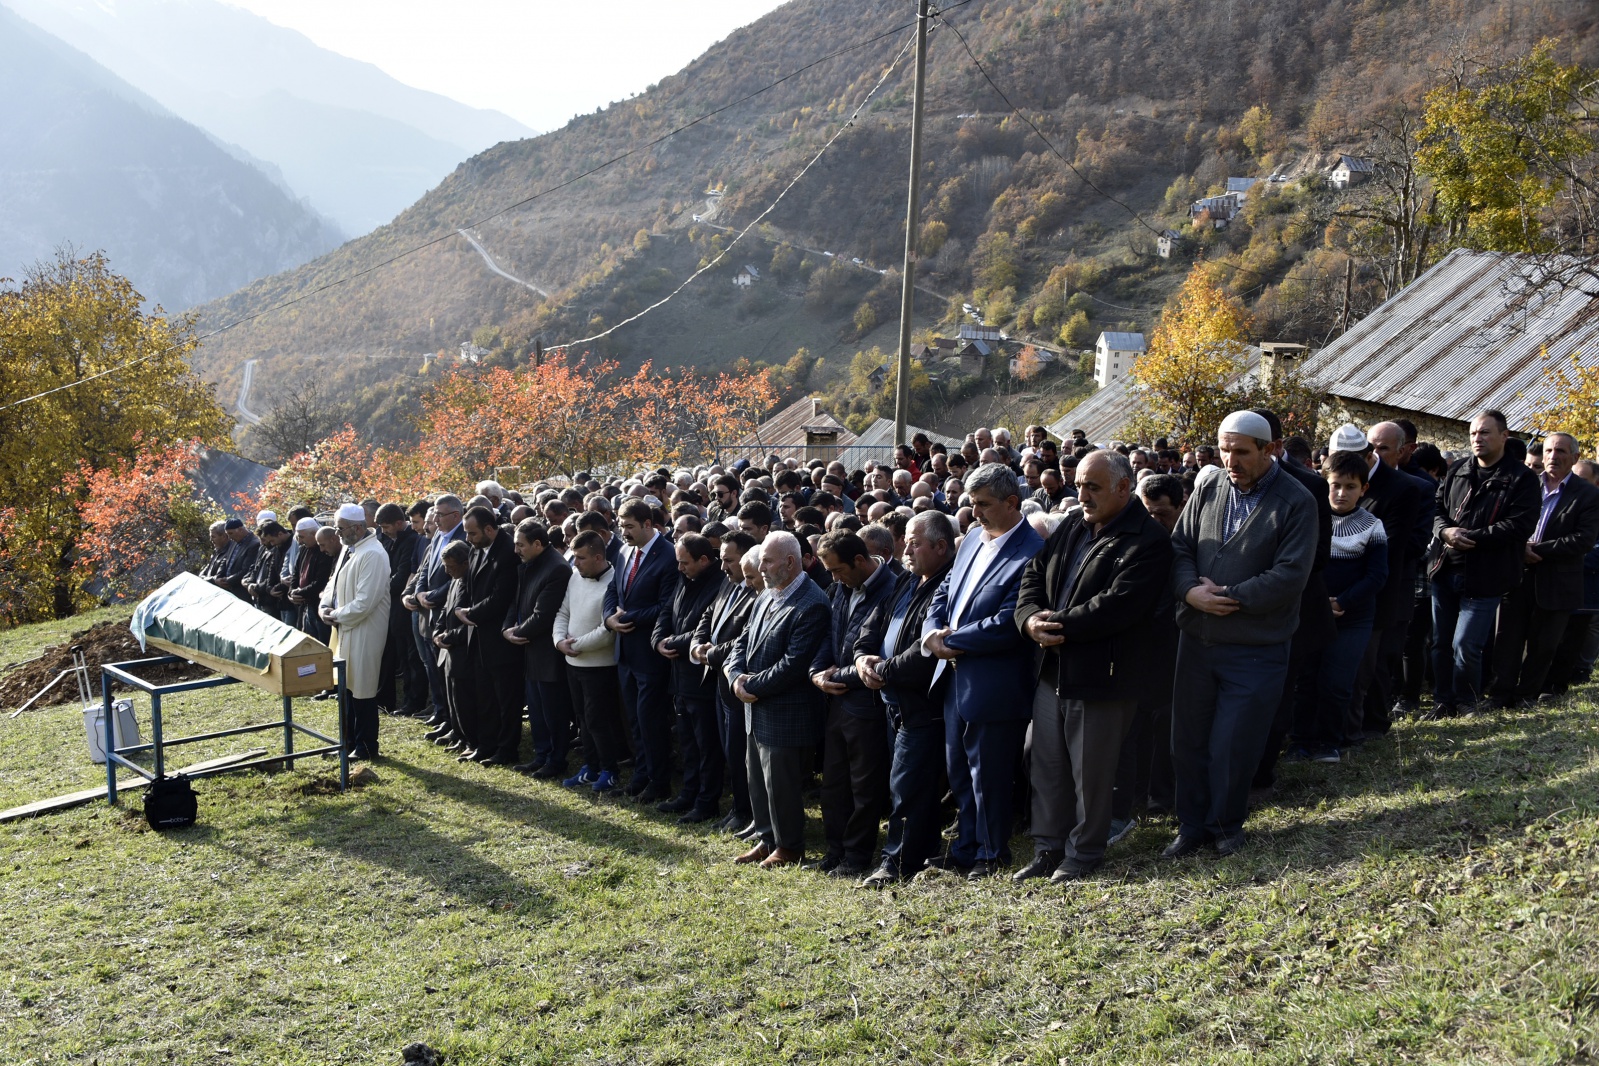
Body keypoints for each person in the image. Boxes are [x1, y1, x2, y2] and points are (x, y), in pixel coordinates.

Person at [1014, 451, 1174, 883]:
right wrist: (1029, 619)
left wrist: (1055, 625)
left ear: (1124, 488)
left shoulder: (1149, 540)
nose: (1081, 495)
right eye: (1080, 485)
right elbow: (1034, 573)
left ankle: (1084, 853)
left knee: (1092, 773)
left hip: (1103, 675)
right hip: (1052, 668)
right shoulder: (1073, 524)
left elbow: (1119, 607)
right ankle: (1048, 847)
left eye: (1093, 487)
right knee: (1044, 763)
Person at [1166, 411, 1316, 859]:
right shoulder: (1208, 486)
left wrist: (1228, 596)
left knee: (1234, 741)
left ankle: (1226, 824)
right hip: (1197, 639)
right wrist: (1191, 591)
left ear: (1270, 450)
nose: (1230, 459)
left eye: (1241, 451)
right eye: (1225, 449)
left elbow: (1290, 575)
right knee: (1188, 739)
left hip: (1255, 647)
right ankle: (1191, 826)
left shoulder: (1296, 500)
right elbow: (1180, 547)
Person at [921, 463, 1046, 879]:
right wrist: (931, 632)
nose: (974, 513)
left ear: (1012, 503)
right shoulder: (973, 537)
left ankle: (992, 853)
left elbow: (1012, 620)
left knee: (988, 772)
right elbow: (944, 592)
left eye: (983, 505)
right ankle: (966, 846)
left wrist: (951, 641)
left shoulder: (1033, 550)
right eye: (971, 504)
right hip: (954, 674)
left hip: (994, 681)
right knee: (959, 769)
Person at [854, 510, 956, 886]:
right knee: (907, 785)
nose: (905, 549)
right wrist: (863, 657)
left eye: (913, 542)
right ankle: (918, 851)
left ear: (940, 546)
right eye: (905, 542)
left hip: (920, 705)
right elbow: (872, 625)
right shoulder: (905, 581)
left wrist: (882, 671)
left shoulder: (948, 585)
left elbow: (925, 651)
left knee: (908, 788)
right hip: (891, 703)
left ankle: (897, 863)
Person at [725, 532, 831, 869]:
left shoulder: (812, 602)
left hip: (785, 710)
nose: (761, 567)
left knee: (781, 783)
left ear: (790, 561)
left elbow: (793, 665)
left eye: (767, 561)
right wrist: (734, 675)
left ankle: (789, 846)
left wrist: (750, 685)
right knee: (757, 777)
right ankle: (767, 838)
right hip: (755, 706)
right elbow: (742, 641)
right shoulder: (767, 594)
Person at [1429, 410, 1540, 717]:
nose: (1477, 438)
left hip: (1487, 574)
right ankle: (1443, 701)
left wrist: (1473, 537)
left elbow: (1520, 524)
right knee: (1440, 642)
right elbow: (1436, 506)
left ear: (1504, 436)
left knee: (1465, 644)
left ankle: (1466, 701)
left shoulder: (1522, 479)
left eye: (1485, 433)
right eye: (1474, 433)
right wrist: (1445, 531)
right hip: (1445, 568)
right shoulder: (1459, 470)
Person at [809, 529, 897, 877]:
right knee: (834, 783)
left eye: (836, 570)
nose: (832, 578)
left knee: (864, 787)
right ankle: (835, 851)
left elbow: (873, 653)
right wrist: (818, 672)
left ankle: (857, 856)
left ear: (859, 561)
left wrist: (836, 676)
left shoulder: (891, 589)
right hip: (838, 702)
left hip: (868, 705)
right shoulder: (842, 588)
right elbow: (830, 635)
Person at [1488, 432, 1599, 707]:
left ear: (1574, 457)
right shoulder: (1525, 484)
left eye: (1560, 451)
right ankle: (1500, 695)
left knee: (1544, 644)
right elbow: (1505, 522)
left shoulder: (1588, 494)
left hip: (1558, 580)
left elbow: (1583, 539)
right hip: (1517, 575)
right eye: (1549, 450)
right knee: (1507, 640)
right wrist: (1519, 549)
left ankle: (1526, 696)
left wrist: (1536, 550)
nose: (1553, 456)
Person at [1296, 450, 1388, 763]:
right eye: (1335, 485)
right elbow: (1302, 567)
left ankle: (1328, 742)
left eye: (1350, 487)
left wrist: (1342, 601)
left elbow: (1377, 576)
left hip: (1353, 617)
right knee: (1305, 679)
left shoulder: (1373, 526)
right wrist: (1321, 603)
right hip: (1311, 612)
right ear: (1325, 483)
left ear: (1364, 489)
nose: (1341, 493)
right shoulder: (1309, 519)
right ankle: (1299, 741)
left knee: (1336, 682)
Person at [605, 498, 680, 801]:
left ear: (648, 524)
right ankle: (640, 775)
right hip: (625, 651)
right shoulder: (624, 552)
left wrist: (629, 617)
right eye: (621, 526)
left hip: (649, 654)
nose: (623, 532)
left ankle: (659, 781)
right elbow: (613, 590)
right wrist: (609, 617)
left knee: (651, 720)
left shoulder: (668, 556)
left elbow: (666, 607)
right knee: (634, 720)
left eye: (629, 526)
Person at [690, 534, 761, 834]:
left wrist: (710, 653)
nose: (723, 567)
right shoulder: (727, 584)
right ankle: (737, 809)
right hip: (718, 681)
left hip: (736, 681)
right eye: (722, 559)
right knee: (728, 749)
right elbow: (708, 615)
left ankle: (745, 811)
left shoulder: (757, 591)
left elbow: (744, 639)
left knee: (739, 752)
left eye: (729, 560)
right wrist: (696, 643)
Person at [651, 532, 725, 821]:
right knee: (687, 742)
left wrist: (672, 643)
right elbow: (667, 610)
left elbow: (705, 628)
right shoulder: (684, 577)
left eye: (685, 563)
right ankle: (688, 793)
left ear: (704, 560)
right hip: (679, 676)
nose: (679, 568)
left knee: (706, 745)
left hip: (701, 678)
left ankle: (707, 801)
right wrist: (658, 639)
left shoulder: (719, 584)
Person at [318, 503, 392, 760]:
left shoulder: (373, 553)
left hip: (365, 630)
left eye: (341, 529)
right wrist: (324, 606)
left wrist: (335, 615)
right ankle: (346, 743)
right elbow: (333, 583)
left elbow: (365, 602)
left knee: (363, 689)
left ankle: (366, 746)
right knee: (346, 688)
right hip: (345, 628)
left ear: (358, 527)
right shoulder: (350, 549)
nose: (336, 534)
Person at [554, 530, 626, 793]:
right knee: (583, 718)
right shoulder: (575, 577)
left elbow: (609, 630)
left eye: (581, 558)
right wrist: (559, 641)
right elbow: (563, 611)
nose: (575, 563)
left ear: (598, 556)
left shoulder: (614, 581)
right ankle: (590, 765)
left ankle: (610, 769)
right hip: (573, 662)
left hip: (599, 666)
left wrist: (575, 646)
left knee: (599, 719)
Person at [503, 519, 575, 777]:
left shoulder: (557, 569)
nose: (516, 550)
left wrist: (516, 633)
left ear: (537, 544)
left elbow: (544, 615)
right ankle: (542, 755)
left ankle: (556, 760)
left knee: (553, 711)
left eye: (520, 545)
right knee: (536, 709)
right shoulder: (529, 565)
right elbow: (517, 601)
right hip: (530, 651)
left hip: (547, 653)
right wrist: (507, 629)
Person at [456, 504, 521, 765]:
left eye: (472, 533)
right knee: (484, 695)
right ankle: (486, 744)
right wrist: (462, 607)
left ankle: (507, 749)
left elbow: (501, 597)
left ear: (490, 529)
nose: (468, 539)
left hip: (499, 638)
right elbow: (466, 582)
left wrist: (471, 612)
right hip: (478, 636)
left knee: (505, 699)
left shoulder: (507, 552)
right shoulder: (476, 548)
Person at [407, 494, 465, 733]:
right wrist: (419, 593)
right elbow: (424, 570)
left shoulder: (464, 538)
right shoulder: (437, 537)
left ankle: (454, 720)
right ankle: (441, 713)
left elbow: (458, 577)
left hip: (446, 613)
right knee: (433, 668)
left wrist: (432, 597)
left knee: (448, 673)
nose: (435, 519)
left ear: (455, 515)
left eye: (440, 515)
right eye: (435, 515)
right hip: (428, 614)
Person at [375, 503, 426, 716]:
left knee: (412, 659)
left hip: (405, 608)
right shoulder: (387, 540)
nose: (383, 531)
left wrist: (377, 586)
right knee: (403, 658)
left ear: (398, 523)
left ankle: (414, 701)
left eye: (386, 526)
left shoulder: (411, 540)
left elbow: (403, 575)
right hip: (392, 609)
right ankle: (406, 700)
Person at [428, 541, 476, 753]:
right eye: (444, 566)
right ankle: (457, 732)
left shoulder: (471, 581)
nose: (447, 571)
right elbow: (446, 609)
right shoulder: (455, 581)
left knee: (464, 699)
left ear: (465, 563)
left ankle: (469, 738)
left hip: (462, 650)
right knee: (452, 696)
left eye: (450, 566)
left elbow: (471, 621)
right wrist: (437, 632)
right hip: (448, 649)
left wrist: (450, 636)